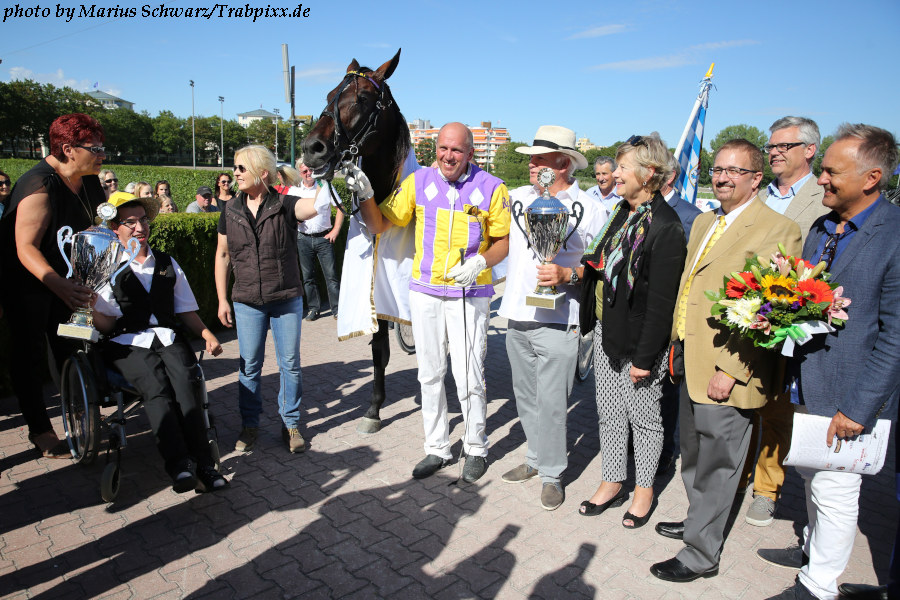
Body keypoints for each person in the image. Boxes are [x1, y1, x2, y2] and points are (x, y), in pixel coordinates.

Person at [650, 139, 801, 583]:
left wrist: (733, 370)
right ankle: (701, 522)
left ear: (757, 179)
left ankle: (700, 555)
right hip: (690, 360)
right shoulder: (705, 222)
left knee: (720, 463)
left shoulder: (779, 229)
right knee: (695, 458)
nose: (722, 177)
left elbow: (771, 311)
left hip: (728, 371)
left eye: (734, 171)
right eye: (717, 169)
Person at [759, 124, 900, 600]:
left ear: (872, 177)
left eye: (831, 172)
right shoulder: (822, 227)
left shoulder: (895, 236)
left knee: (837, 492)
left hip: (851, 395)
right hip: (807, 382)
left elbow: (896, 337)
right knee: (813, 477)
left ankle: (818, 587)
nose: (820, 179)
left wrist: (860, 409)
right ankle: (812, 550)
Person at [352, 122, 510, 482]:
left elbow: (503, 240)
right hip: (425, 292)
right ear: (434, 150)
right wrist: (364, 195)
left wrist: (481, 262)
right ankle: (437, 448)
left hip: (470, 294)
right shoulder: (418, 182)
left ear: (470, 153)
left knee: (469, 375)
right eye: (443, 148)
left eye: (456, 150)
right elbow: (379, 225)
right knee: (430, 374)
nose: (448, 156)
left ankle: (476, 446)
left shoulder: (491, 188)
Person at [577, 134, 686, 527]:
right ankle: (611, 480)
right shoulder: (622, 212)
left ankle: (643, 490)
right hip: (610, 333)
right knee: (608, 414)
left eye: (623, 168)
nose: (615, 175)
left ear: (649, 173)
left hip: (641, 345)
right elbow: (603, 264)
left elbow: (661, 304)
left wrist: (645, 358)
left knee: (644, 420)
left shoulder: (666, 226)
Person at [498, 125, 607, 510]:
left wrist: (568, 274)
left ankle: (552, 474)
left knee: (553, 402)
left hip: (561, 318)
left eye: (538, 158)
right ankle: (534, 458)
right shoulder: (517, 199)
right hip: (516, 314)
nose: (531, 163)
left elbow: (604, 265)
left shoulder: (592, 210)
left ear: (562, 164)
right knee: (526, 398)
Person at [91, 192, 228, 493]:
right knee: (155, 386)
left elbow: (186, 309)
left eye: (143, 220)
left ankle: (204, 464)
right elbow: (106, 324)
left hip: (166, 336)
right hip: (126, 342)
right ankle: (179, 465)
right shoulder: (107, 267)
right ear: (116, 229)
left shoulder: (166, 262)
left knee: (187, 384)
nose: (140, 227)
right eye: (130, 222)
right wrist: (92, 306)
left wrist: (207, 334)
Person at [742, 116, 832, 528]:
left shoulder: (824, 196)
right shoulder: (756, 192)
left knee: (777, 411)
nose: (774, 151)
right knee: (743, 404)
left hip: (788, 319)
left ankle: (766, 489)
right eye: (771, 145)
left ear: (809, 150)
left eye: (784, 145)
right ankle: (738, 476)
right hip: (743, 313)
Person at [0, 113, 107, 457]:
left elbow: (87, 231)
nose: (102, 155)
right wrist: (60, 285)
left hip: (65, 282)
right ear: (68, 149)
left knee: (73, 345)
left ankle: (80, 416)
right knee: (28, 354)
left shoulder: (89, 180)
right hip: (25, 283)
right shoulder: (39, 185)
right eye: (95, 148)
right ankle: (40, 429)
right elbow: (25, 248)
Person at [214, 144, 318, 454]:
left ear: (262, 173)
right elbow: (222, 256)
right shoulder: (230, 210)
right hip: (246, 300)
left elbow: (313, 207)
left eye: (241, 168)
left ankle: (291, 424)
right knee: (249, 366)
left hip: (285, 297)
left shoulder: (285, 204)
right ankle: (250, 425)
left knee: (290, 365)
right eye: (235, 168)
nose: (235, 173)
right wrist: (222, 300)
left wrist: (321, 182)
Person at [656, 153, 702, 475]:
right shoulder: (636, 209)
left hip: (670, 320)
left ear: (669, 177)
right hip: (640, 318)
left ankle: (665, 451)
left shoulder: (690, 217)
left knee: (667, 390)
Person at [288, 158, 344, 322]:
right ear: (300, 173)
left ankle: (337, 309)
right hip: (303, 238)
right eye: (304, 171)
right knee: (308, 277)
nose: (308, 174)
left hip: (323, 238)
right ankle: (313, 309)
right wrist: (293, 220)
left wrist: (335, 230)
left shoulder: (324, 186)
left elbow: (340, 208)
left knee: (331, 276)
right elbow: (288, 212)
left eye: (310, 170)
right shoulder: (294, 190)